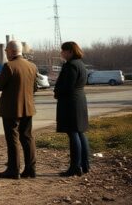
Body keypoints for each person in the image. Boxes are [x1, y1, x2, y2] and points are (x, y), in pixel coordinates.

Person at [0, 40, 38, 179]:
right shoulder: (32, 66)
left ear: (12, 51)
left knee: (13, 139)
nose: (6, 52)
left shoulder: (9, 66)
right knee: (27, 137)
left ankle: (14, 169)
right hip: (28, 107)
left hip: (11, 109)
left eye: (6, 50)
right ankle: (30, 169)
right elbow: (35, 88)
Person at [54, 41, 90, 176]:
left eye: (63, 51)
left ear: (69, 51)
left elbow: (67, 86)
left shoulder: (70, 66)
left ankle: (75, 167)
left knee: (73, 133)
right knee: (80, 132)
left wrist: (57, 93)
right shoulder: (80, 64)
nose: (61, 53)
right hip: (79, 100)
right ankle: (85, 164)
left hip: (70, 103)